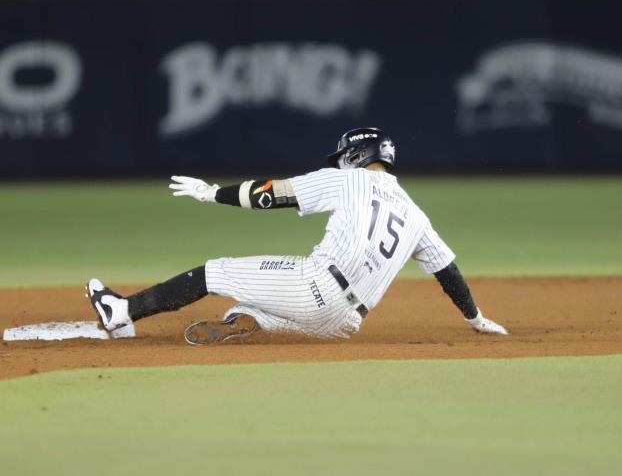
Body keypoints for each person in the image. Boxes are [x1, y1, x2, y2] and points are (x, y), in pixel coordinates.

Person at [86, 127, 508, 344]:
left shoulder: (349, 181)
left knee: (213, 273)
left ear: (355, 156)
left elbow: (275, 194)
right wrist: (474, 317)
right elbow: (446, 270)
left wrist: (213, 193)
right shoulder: (416, 214)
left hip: (315, 287)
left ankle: (122, 312)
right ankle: (246, 323)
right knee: (251, 304)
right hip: (345, 324)